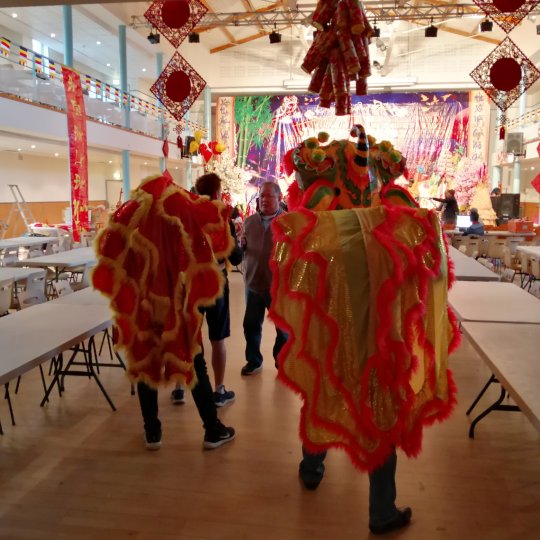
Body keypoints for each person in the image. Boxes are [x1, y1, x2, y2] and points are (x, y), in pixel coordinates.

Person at [269, 127, 459, 536]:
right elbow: (427, 260)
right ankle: (380, 510)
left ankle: (313, 468)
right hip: (378, 335)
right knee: (379, 408)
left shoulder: (324, 216)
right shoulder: (393, 215)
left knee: (325, 389)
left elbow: (292, 253)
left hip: (335, 328)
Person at [93, 172, 235, 451]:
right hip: (176, 302)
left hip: (144, 302)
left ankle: (152, 431)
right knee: (194, 361)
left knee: (147, 362)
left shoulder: (132, 209)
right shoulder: (180, 204)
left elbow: (109, 248)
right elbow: (212, 221)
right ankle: (212, 429)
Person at [171, 173, 242, 407]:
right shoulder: (221, 216)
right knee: (218, 337)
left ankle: (180, 387)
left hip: (190, 281)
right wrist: (239, 243)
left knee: (189, 334)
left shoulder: (186, 214)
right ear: (217, 192)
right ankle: (219, 390)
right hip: (216, 281)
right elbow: (235, 255)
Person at [240, 181, 287, 375]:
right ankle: (254, 360)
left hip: (277, 286)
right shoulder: (249, 222)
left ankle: (281, 361)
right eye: (262, 196)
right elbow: (243, 246)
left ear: (279, 198)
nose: (264, 200)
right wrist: (240, 244)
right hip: (253, 284)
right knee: (250, 325)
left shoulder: (287, 223)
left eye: (269, 196)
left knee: (283, 329)